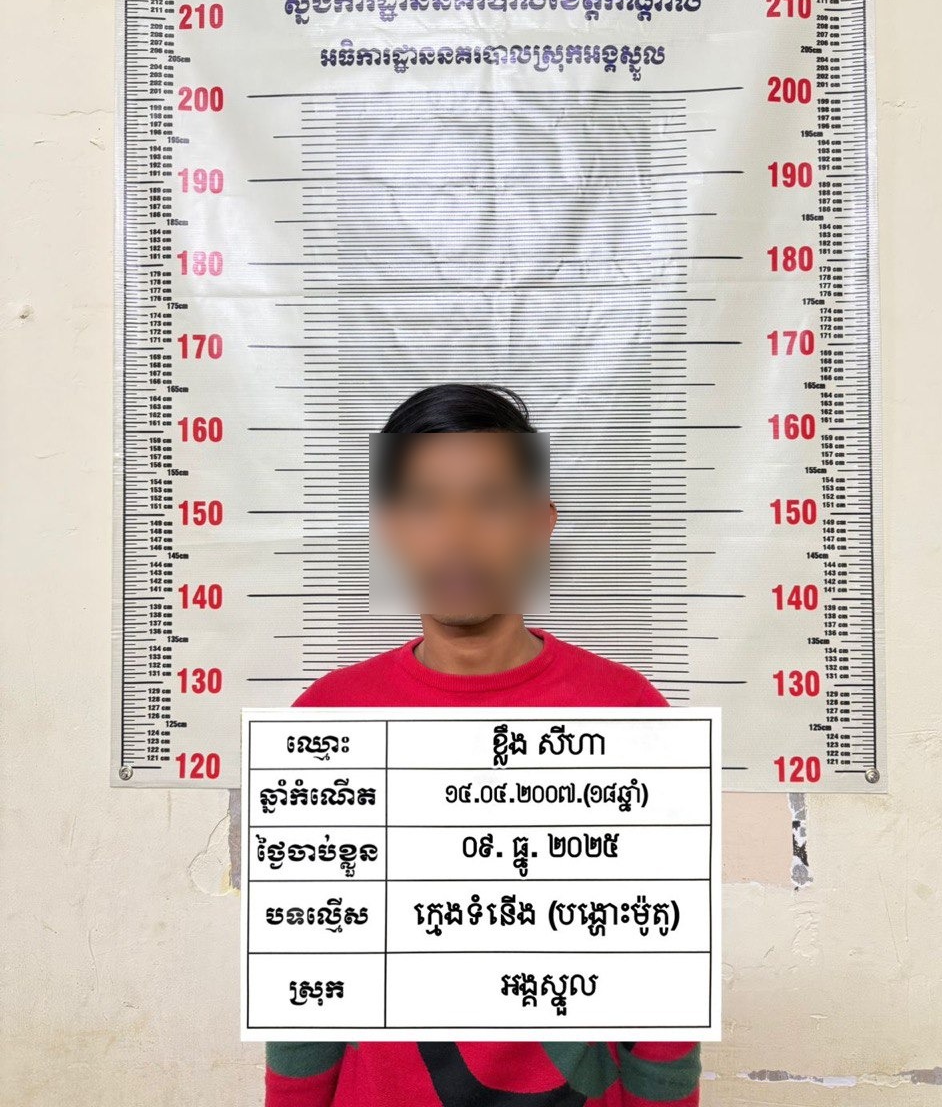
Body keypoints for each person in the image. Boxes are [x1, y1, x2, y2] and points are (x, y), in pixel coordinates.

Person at [264, 382, 702, 1106]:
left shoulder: (630, 716)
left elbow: (662, 984)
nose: (458, 534)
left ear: (539, 524)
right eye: (426, 504)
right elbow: (307, 983)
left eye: (490, 503)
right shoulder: (327, 719)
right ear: (389, 527)